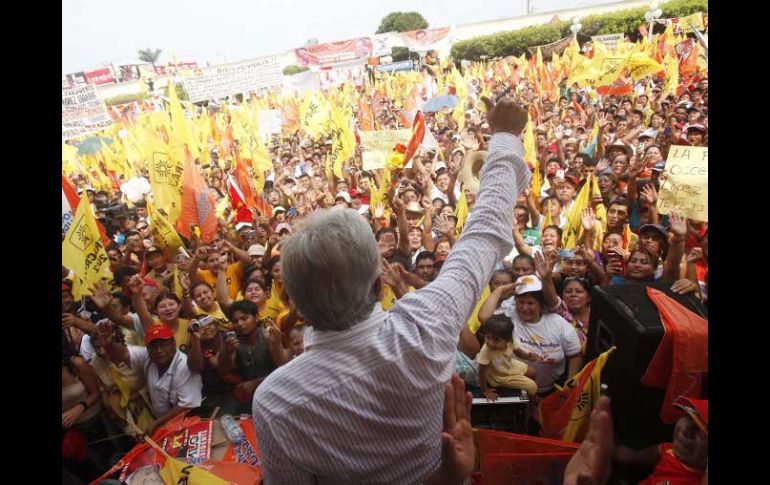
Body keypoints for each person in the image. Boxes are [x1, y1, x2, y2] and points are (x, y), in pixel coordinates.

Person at [251, 97, 531, 483]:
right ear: (378, 283)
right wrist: (504, 137)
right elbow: (486, 231)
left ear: (293, 303)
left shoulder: (277, 402)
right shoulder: (427, 322)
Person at [479, 275, 582, 395]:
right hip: (514, 390)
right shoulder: (508, 318)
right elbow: (483, 317)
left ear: (540, 304)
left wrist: (569, 385)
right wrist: (499, 290)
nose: (524, 308)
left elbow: (575, 355)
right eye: (520, 302)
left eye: (530, 303)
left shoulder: (557, 322)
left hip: (553, 390)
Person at [102, 324, 203, 436]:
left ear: (173, 343)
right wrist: (109, 345)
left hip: (188, 422)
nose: (159, 350)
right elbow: (122, 354)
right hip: (163, 422)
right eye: (153, 346)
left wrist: (156, 423)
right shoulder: (148, 357)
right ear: (147, 348)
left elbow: (187, 405)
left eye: (164, 345)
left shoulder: (183, 366)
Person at [614, 398, 707, 485]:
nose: (685, 430)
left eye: (702, 429)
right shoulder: (671, 449)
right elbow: (638, 456)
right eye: (689, 417)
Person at [476, 314, 538, 399]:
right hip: (499, 377)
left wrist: (528, 356)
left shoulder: (510, 342)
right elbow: (482, 372)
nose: (490, 343)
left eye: (496, 340)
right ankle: (532, 404)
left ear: (508, 339)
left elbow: (518, 352)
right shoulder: (486, 351)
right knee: (533, 387)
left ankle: (531, 396)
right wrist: (485, 390)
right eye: (488, 337)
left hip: (509, 365)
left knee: (533, 372)